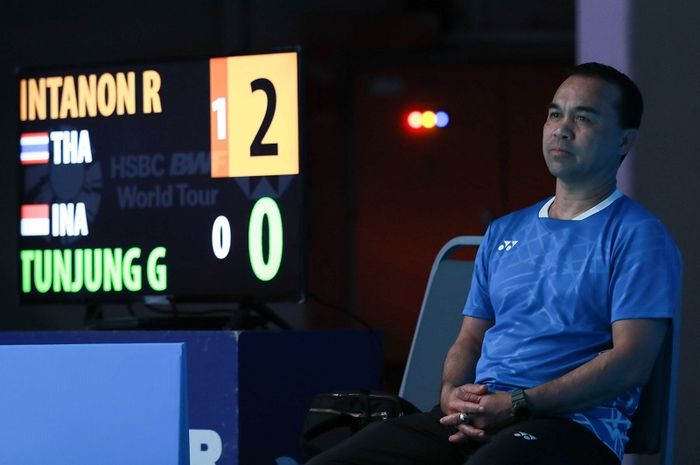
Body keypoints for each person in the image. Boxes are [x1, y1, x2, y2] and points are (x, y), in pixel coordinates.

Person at [306, 62, 682, 465]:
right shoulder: (505, 231)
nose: (562, 128)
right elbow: (470, 339)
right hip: (481, 415)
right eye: (555, 113)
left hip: (573, 426)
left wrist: (519, 402)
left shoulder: (639, 236)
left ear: (625, 141)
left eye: (584, 118)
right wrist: (452, 392)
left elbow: (631, 364)